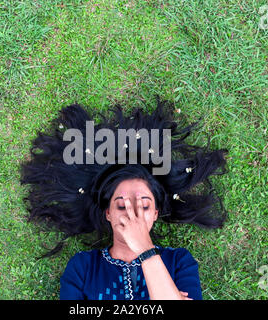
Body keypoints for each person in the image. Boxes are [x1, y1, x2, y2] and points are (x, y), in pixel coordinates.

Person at [20, 96, 229, 300]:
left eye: (144, 206)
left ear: (156, 213)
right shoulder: (83, 266)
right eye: (121, 206)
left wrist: (145, 250)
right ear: (108, 213)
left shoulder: (178, 261)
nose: (133, 215)